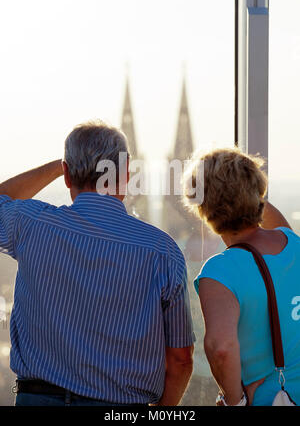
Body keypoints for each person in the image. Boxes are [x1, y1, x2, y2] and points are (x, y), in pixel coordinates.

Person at [0, 120, 195, 407]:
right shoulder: (162, 251)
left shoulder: (31, 224)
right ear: (126, 173)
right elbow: (180, 359)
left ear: (67, 175)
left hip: (39, 399)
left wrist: (61, 165)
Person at [183, 147, 300, 406]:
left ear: (203, 208)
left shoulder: (220, 272)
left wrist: (234, 401)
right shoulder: (293, 244)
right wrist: (242, 185)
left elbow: (221, 347)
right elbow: (271, 217)